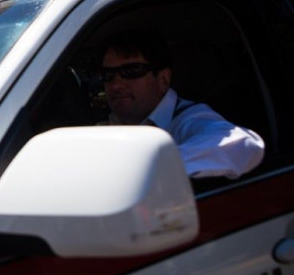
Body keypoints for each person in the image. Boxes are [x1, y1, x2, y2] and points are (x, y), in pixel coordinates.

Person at [98, 30, 265, 179]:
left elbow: (241, 145)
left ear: (163, 79)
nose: (116, 85)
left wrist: (139, 171)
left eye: (131, 71)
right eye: (108, 75)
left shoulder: (189, 118)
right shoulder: (106, 128)